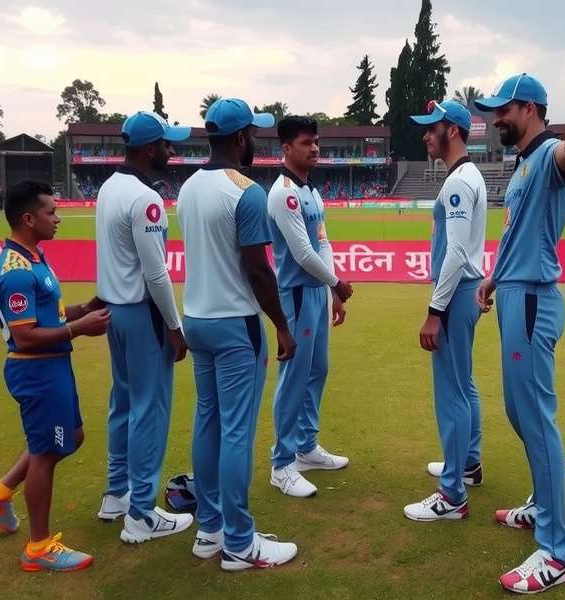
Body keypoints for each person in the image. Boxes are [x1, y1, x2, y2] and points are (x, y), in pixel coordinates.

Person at [474, 67, 565, 593]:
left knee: (535, 416)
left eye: (502, 111)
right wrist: (492, 279)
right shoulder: (522, 166)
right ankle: (541, 504)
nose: (495, 119)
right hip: (514, 292)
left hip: (532, 299)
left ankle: (555, 553)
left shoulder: (551, 155)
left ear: (528, 110)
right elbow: (518, 235)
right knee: (519, 410)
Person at [178, 97, 298, 570]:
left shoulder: (187, 188)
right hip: (235, 325)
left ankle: (210, 530)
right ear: (239, 137)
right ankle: (240, 542)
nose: (257, 140)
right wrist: (283, 326)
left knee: (207, 422)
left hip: (198, 319)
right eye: (254, 133)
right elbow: (258, 270)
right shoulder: (245, 191)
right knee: (236, 432)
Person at [0, 181, 110, 571]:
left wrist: (85, 308)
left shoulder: (34, 257)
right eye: (51, 212)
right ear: (29, 219)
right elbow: (25, 335)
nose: (59, 217)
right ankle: (39, 547)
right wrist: (79, 330)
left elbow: (50, 315)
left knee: (70, 437)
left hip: (52, 367)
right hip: (36, 371)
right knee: (48, 451)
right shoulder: (15, 271)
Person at [95, 112, 193, 542]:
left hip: (115, 311)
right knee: (149, 410)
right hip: (143, 313)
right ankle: (140, 515)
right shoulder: (144, 198)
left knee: (124, 403)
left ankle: (116, 495)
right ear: (148, 147)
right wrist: (174, 327)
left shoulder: (108, 188)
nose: (171, 152)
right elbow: (156, 275)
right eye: (166, 145)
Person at [401, 100, 487, 521]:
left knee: (451, 394)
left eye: (430, 128)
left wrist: (435, 309)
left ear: (452, 130)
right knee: (464, 385)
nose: (424, 135)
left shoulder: (458, 182)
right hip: (465, 290)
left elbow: (455, 251)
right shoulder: (467, 176)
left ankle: (452, 493)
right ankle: (467, 464)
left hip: (454, 295)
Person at [267, 116, 353, 498]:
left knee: (318, 369)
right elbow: (302, 252)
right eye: (306, 142)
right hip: (297, 294)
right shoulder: (283, 192)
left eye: (316, 142)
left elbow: (323, 243)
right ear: (286, 148)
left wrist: (332, 289)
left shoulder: (312, 191)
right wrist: (336, 282)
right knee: (294, 377)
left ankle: (306, 447)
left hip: (317, 293)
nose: (315, 148)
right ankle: (281, 463)